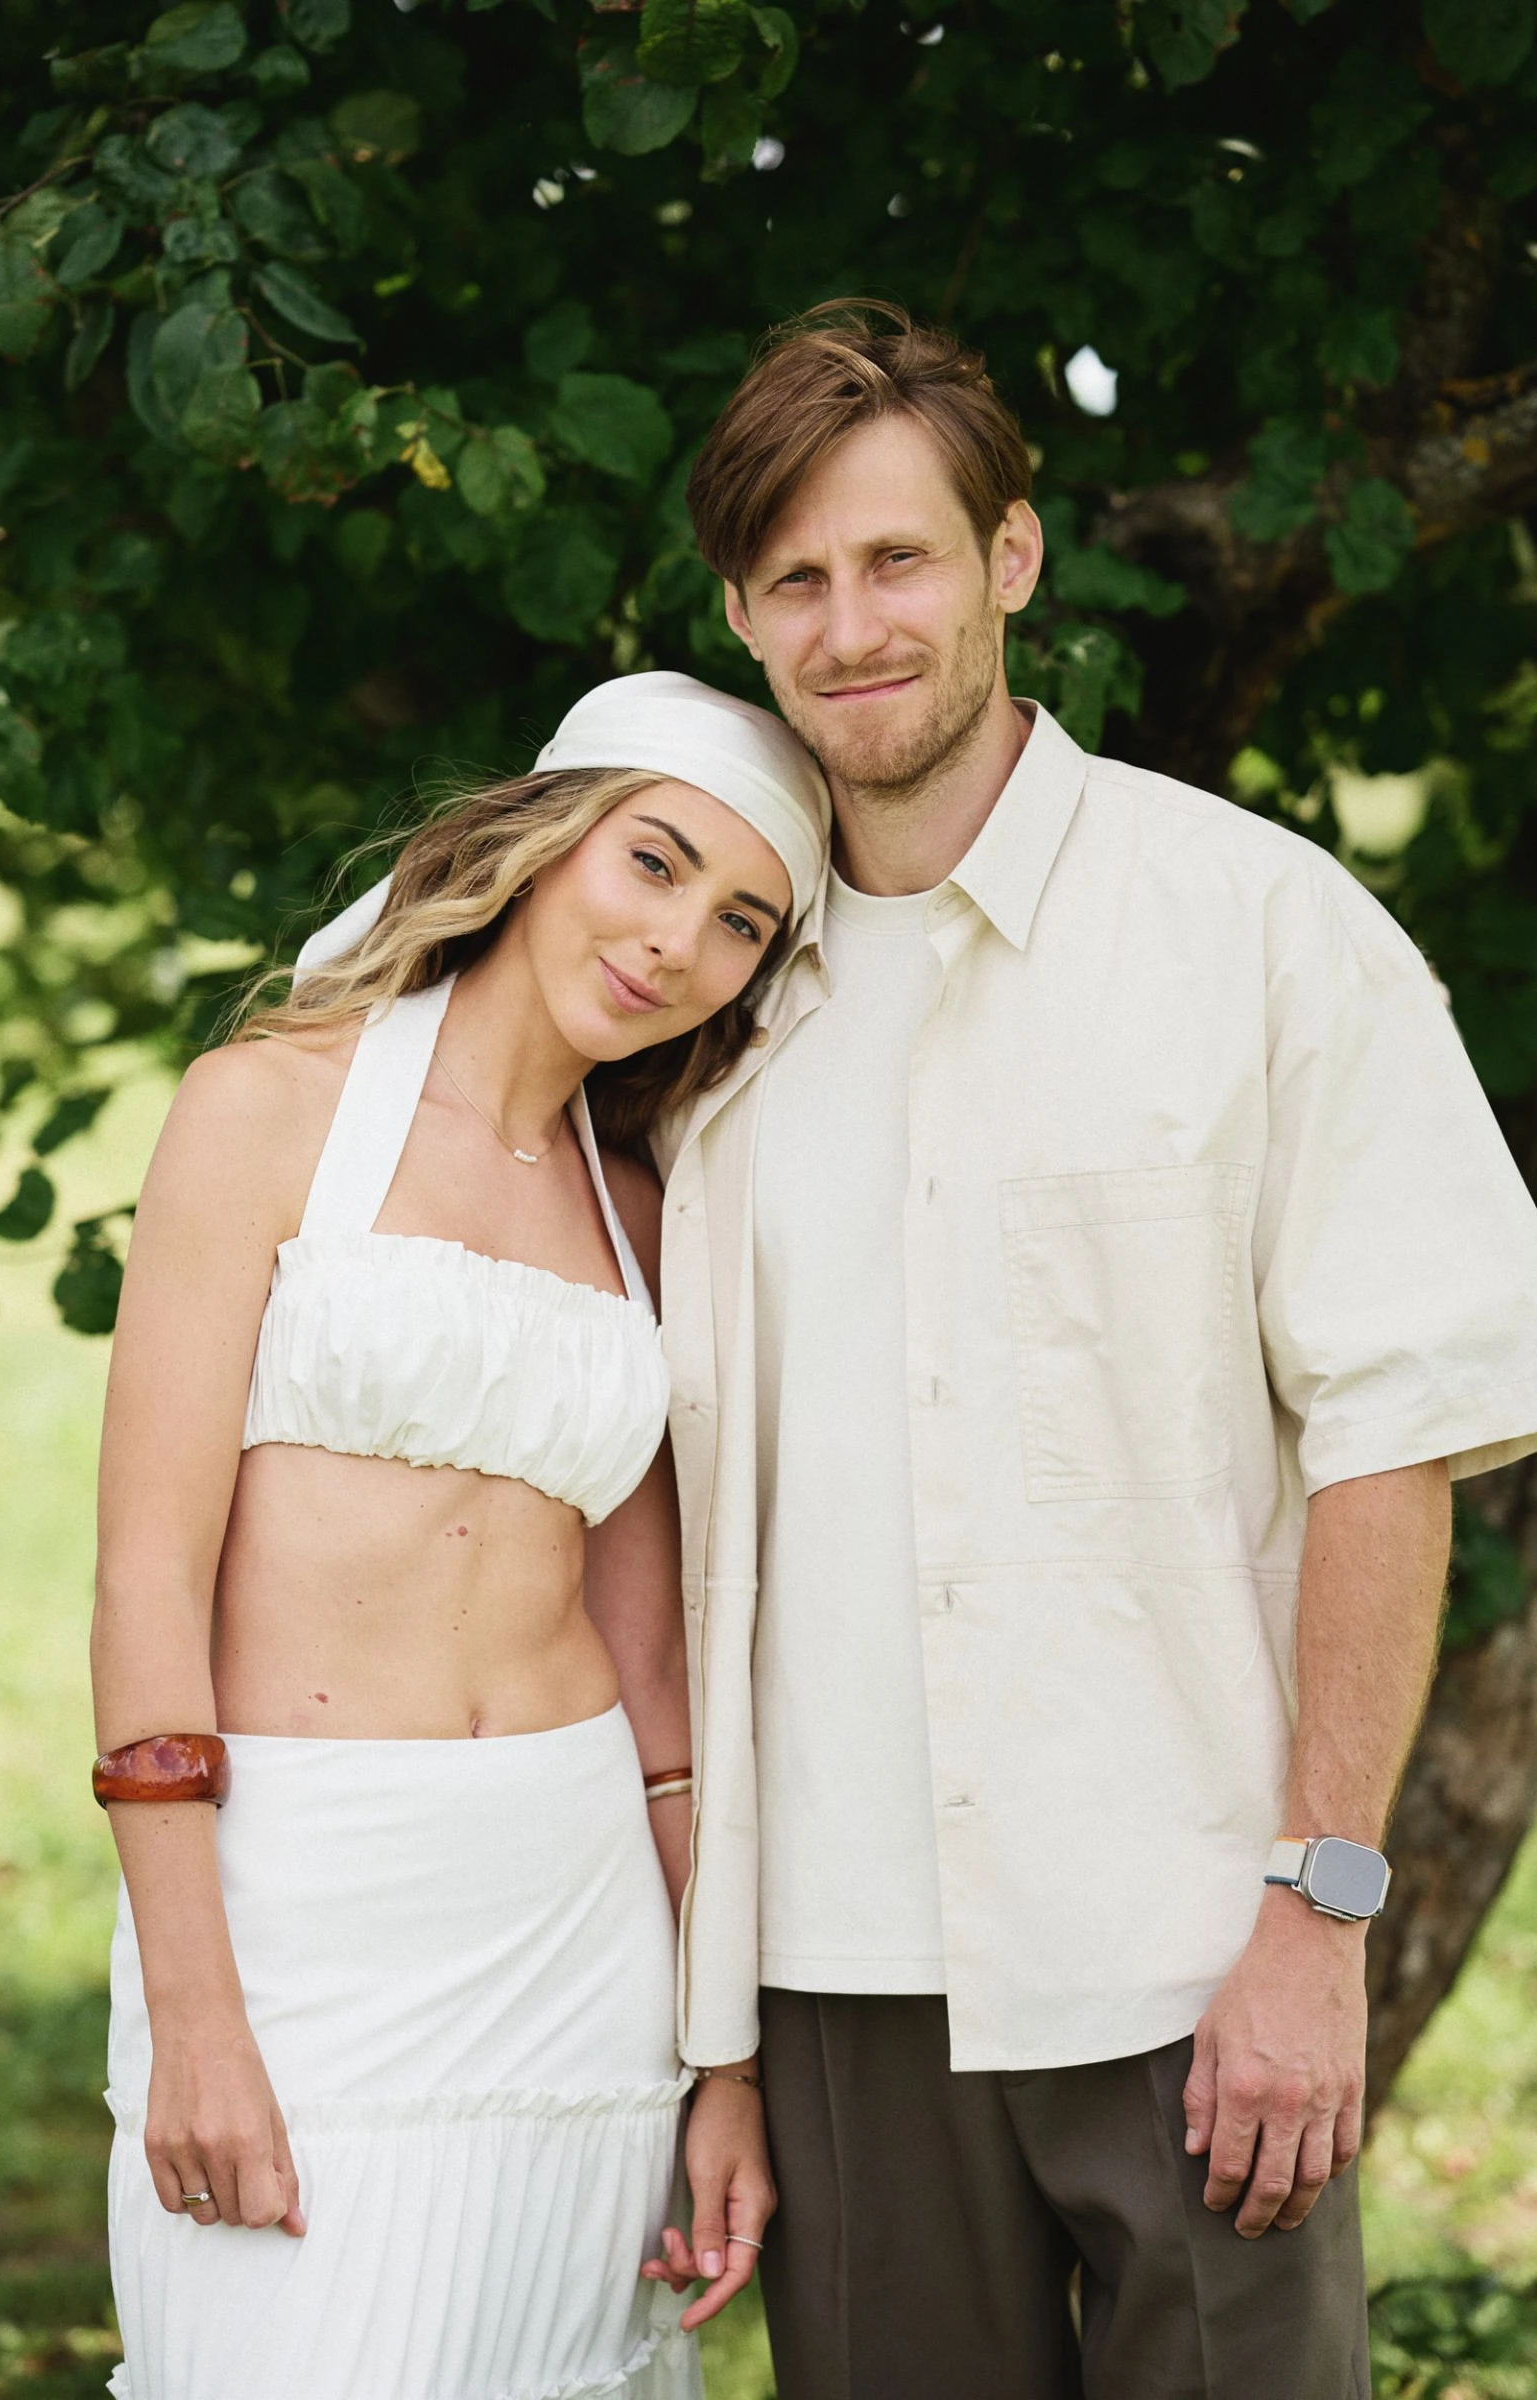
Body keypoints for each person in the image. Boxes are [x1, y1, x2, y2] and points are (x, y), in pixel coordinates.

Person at [645, 302, 1537, 2397]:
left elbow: (1394, 1438)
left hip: (1189, 1951)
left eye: (898, 559)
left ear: (1012, 560)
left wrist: (1318, 1914)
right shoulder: (702, 1004)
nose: (852, 626)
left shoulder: (1262, 933)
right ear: (742, 618)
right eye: (796, 578)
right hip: (837, 1974)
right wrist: (718, 2036)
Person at [90, 673, 828, 2400]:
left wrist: (721, 2062)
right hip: (299, 1912)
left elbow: (650, 1670)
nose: (675, 944)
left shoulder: (639, 1208)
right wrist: (194, 2013)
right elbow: (142, 1584)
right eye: (654, 862)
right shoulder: (264, 1110)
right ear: (546, 837)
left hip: (573, 1928)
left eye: (740, 923)